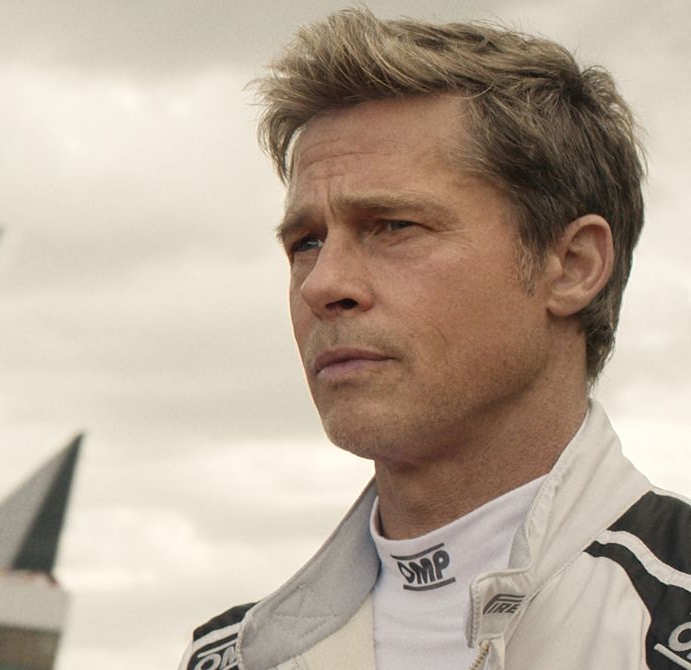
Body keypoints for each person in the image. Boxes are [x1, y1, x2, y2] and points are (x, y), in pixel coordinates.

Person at [179, 8, 687, 670]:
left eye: (393, 227)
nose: (322, 284)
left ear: (573, 266)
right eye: (305, 242)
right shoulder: (230, 656)